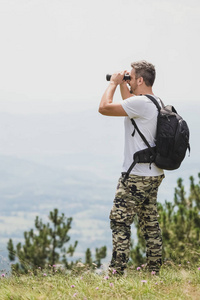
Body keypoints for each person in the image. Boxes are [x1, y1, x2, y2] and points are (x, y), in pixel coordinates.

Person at [98, 60, 165, 275]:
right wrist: (122, 84)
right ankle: (154, 272)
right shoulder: (154, 101)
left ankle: (116, 274)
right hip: (154, 173)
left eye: (132, 77)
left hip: (135, 177)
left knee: (120, 222)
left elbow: (104, 108)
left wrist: (113, 83)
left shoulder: (141, 104)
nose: (129, 81)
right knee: (150, 223)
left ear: (140, 80)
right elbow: (129, 100)